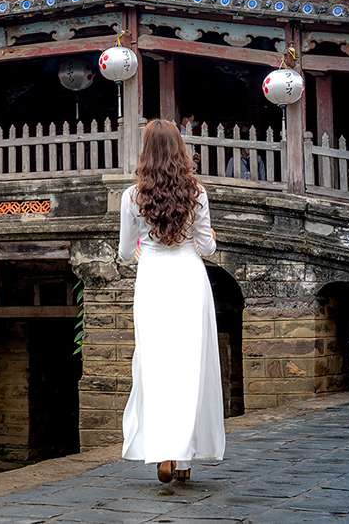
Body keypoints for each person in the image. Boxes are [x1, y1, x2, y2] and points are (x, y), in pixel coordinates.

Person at [118, 119, 225, 484]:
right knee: (190, 369)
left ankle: (164, 450)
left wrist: (143, 250)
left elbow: (124, 251)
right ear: (180, 150)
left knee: (156, 368)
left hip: (153, 282)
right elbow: (207, 247)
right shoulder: (197, 194)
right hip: (190, 280)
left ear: (146, 153)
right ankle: (184, 456)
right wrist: (209, 235)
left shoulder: (132, 197)